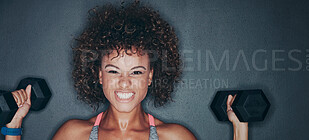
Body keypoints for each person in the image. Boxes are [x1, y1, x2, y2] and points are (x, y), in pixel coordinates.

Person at [4, 2, 248, 140]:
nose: (124, 83)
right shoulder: (73, 134)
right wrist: (13, 127)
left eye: (136, 72)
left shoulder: (175, 137)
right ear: (99, 75)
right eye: (113, 71)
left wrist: (240, 128)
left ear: (151, 76)